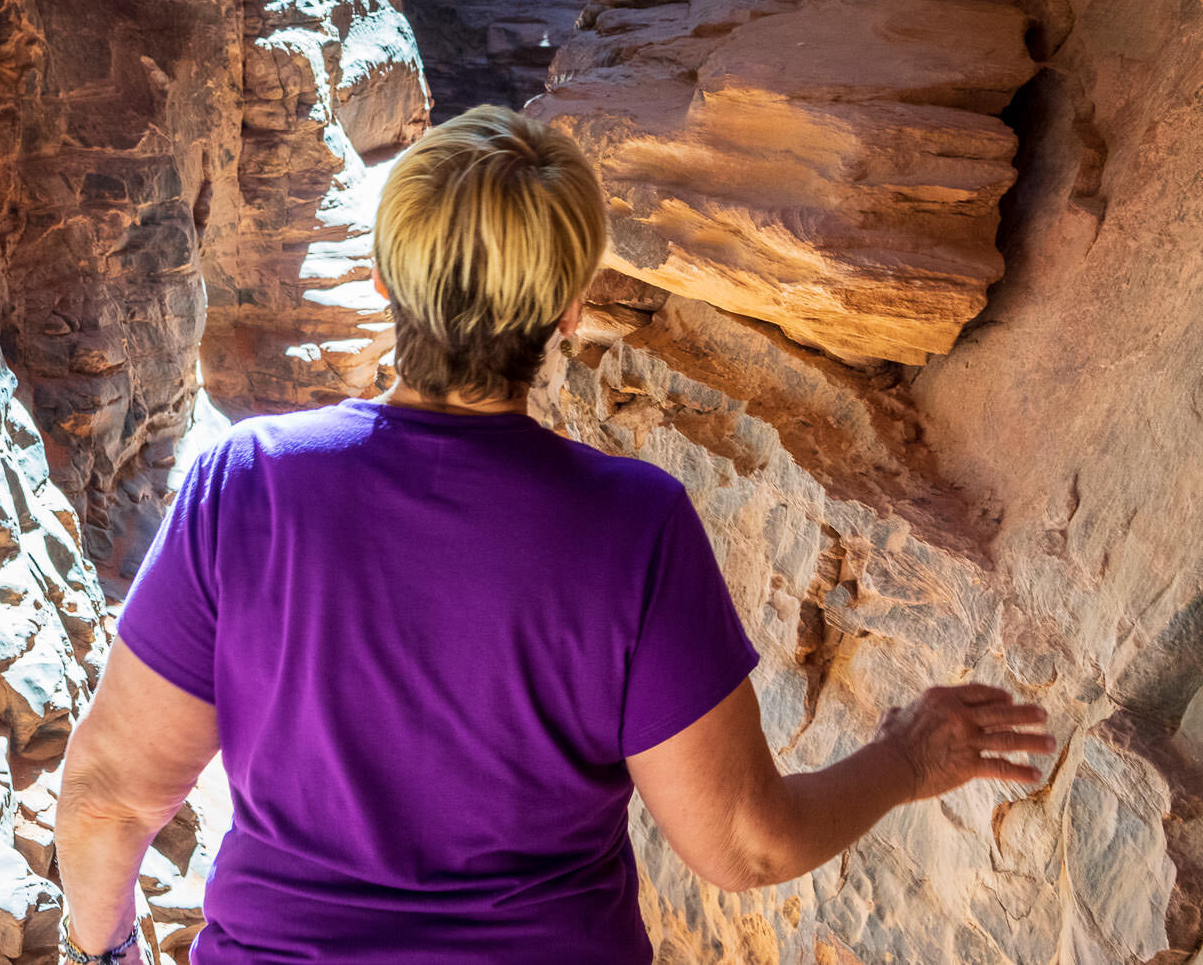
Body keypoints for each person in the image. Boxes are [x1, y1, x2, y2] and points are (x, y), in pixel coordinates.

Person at [52, 106, 1051, 964]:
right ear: (569, 310)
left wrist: (109, 949)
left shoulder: (250, 484)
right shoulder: (632, 527)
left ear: (388, 276)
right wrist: (910, 758)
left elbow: (107, 794)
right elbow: (745, 843)